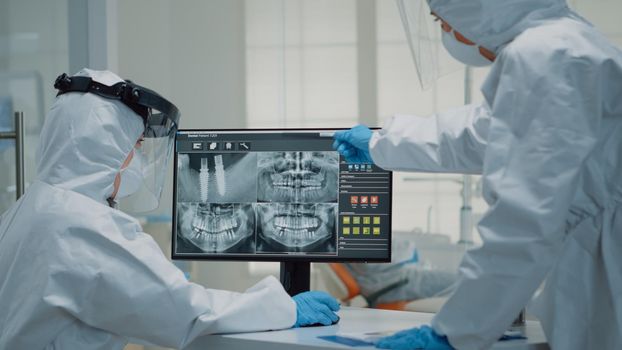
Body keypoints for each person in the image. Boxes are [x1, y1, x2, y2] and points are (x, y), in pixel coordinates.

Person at [334, 0, 622, 349]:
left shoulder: (544, 56)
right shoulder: (566, 43)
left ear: (477, 8)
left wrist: (455, 331)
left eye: (441, 21)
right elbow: (485, 134)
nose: (445, 32)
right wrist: (382, 143)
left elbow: (524, 218)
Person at [0, 69, 340, 350]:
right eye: (135, 146)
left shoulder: (29, 208)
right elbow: (185, 313)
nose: (136, 161)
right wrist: (282, 308)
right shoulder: (84, 225)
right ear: (103, 151)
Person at [345, 238, 456, 305]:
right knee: (460, 282)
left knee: (461, 281)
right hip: (396, 283)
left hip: (399, 275)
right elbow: (368, 265)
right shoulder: (349, 240)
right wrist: (407, 248)